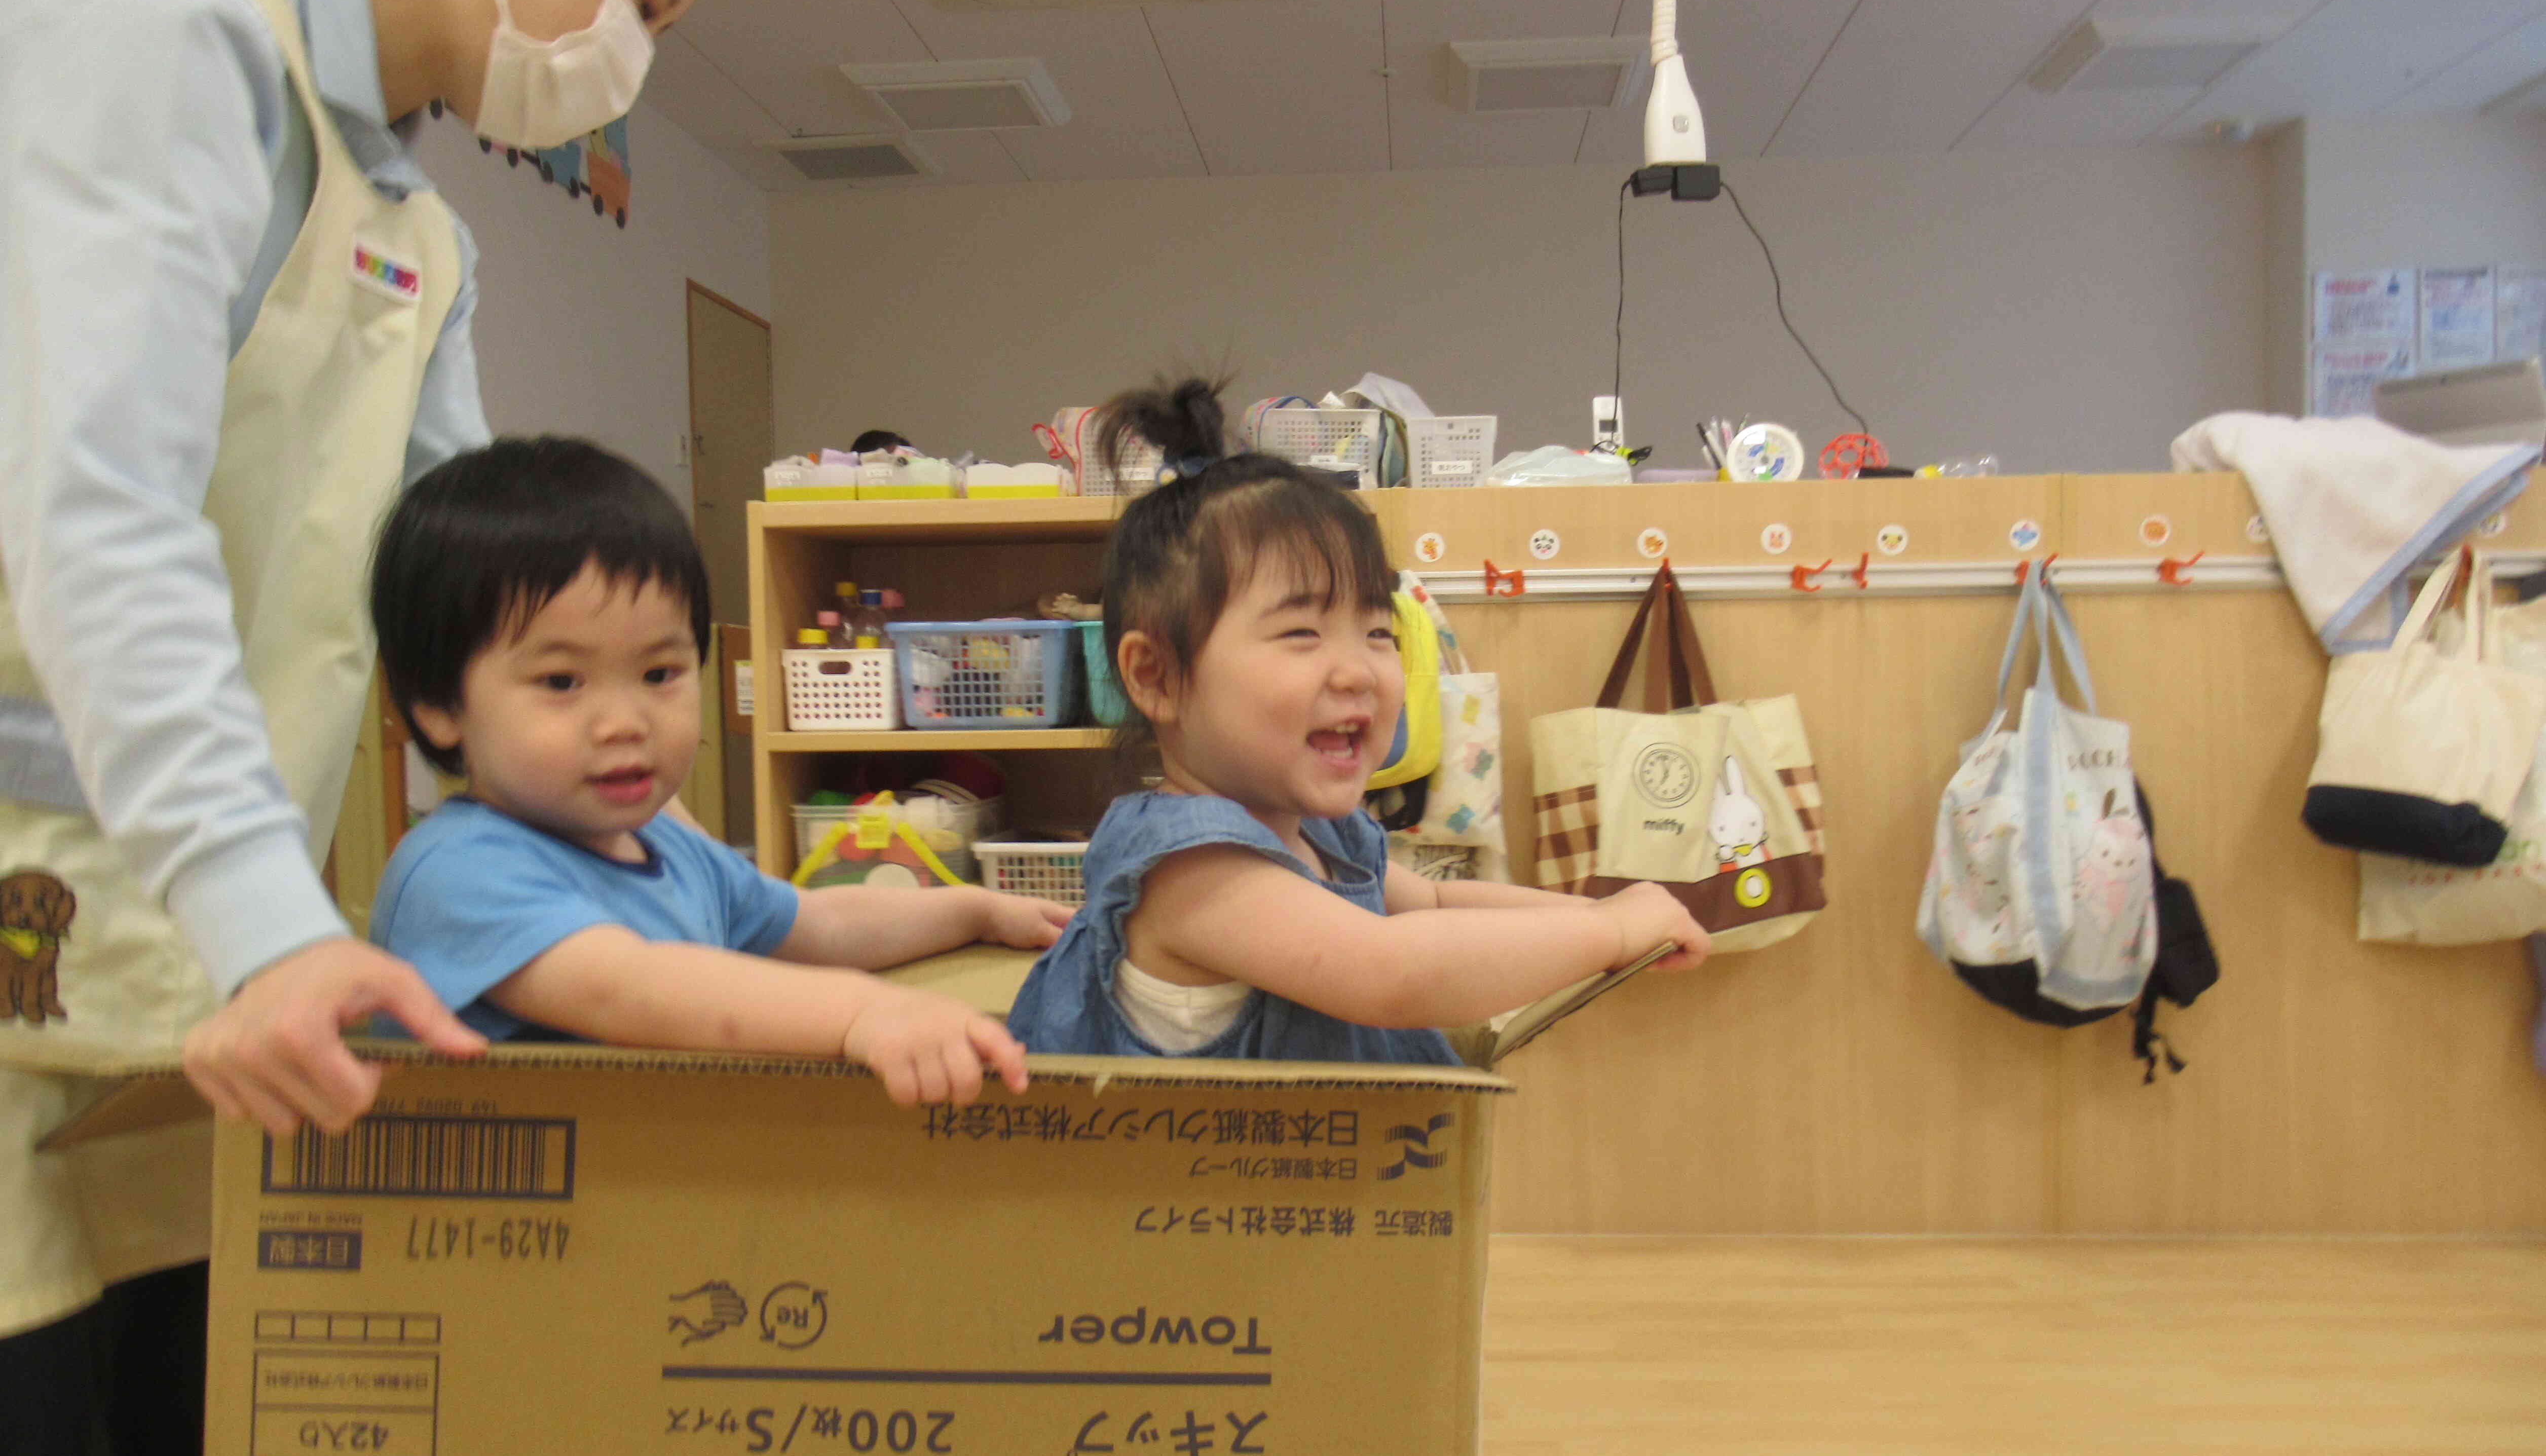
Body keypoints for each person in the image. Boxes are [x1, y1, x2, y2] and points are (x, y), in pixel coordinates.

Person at [0, 0, 730, 1456]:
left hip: (196, 961)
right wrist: (271, 916)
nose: (630, 60)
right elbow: (95, 526)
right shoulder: (165, 34)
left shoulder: (421, 225)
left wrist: (670, 856)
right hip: (75, 914)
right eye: (639, 0)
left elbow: (482, 615)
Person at [1005, 380, 1709, 1064]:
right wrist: (1613, 933)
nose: (1360, 671)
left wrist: (1596, 916)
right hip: (1200, 1181)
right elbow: (1389, 973)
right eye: (1302, 633)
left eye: (1378, 632)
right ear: (1158, 678)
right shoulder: (1190, 868)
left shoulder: (1320, 832)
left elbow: (1434, 902)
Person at [370, 439, 1068, 1100]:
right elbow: (632, 987)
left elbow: (818, 925)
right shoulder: (459, 873)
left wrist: (973, 909)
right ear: (438, 704)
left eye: (658, 672)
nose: (626, 721)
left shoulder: (670, 849)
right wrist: (863, 1012)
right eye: (561, 682)